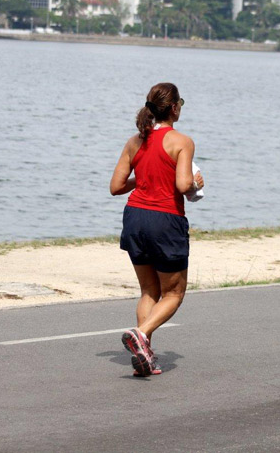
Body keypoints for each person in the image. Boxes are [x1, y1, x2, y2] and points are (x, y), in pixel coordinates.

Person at [110, 83, 204, 377]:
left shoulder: (135, 141)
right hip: (165, 220)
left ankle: (144, 356)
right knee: (174, 293)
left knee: (149, 291)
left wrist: (144, 177)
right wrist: (197, 183)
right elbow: (182, 185)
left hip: (135, 217)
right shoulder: (182, 142)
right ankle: (141, 333)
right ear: (174, 108)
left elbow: (116, 187)